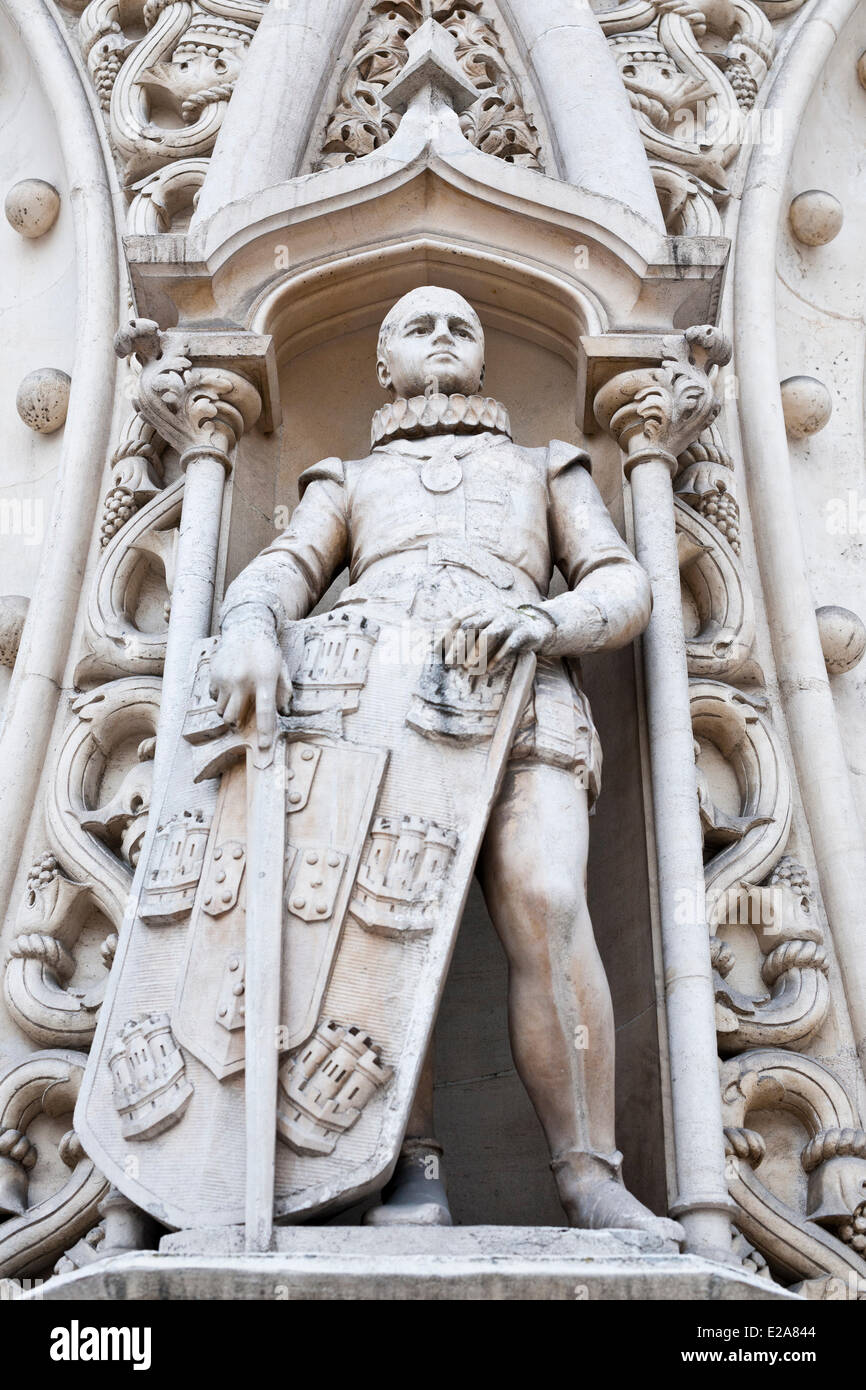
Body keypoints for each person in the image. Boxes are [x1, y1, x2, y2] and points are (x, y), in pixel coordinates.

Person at [210, 285, 679, 1239]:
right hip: (380, 716)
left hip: (522, 696)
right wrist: (252, 624)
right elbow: (286, 568)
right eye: (417, 325)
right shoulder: (345, 478)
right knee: (386, 931)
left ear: (482, 356)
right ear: (383, 362)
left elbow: (623, 581)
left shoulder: (546, 466)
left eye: (460, 325)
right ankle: (405, 1167)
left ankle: (590, 1175)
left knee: (549, 901)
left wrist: (545, 619)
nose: (441, 338)